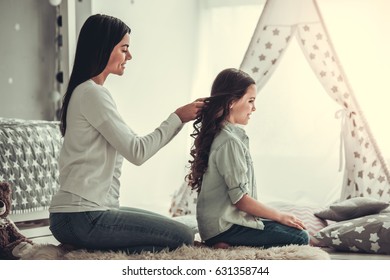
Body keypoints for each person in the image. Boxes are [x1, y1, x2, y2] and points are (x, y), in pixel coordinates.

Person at [48, 14, 204, 254]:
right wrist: (178, 117)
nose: (129, 56)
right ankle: (96, 250)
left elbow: (138, 144)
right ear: (104, 48)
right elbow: (138, 152)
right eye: (124, 49)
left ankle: (89, 247)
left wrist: (179, 119)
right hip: (83, 217)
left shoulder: (88, 93)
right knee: (182, 235)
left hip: (77, 216)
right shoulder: (92, 94)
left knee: (176, 227)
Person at [186, 68, 309, 249]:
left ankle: (224, 242)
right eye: (251, 101)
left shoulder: (224, 136)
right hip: (225, 228)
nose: (254, 108)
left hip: (218, 227)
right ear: (232, 102)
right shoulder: (229, 141)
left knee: (283, 227)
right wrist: (280, 216)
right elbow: (241, 200)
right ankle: (224, 243)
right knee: (300, 237)